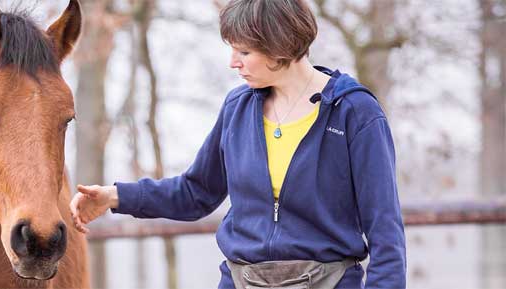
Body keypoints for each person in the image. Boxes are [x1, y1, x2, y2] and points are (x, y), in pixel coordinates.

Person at [69, 0, 407, 288]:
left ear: (281, 45)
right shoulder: (237, 108)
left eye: (244, 51)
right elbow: (195, 192)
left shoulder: (354, 113)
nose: (233, 62)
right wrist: (116, 196)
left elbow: (385, 233)